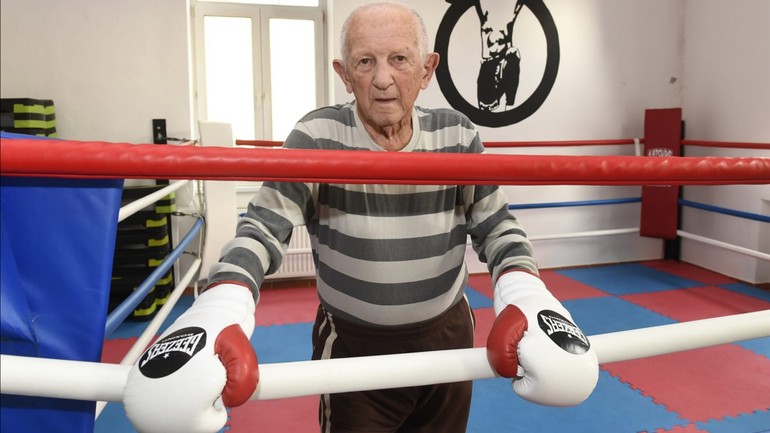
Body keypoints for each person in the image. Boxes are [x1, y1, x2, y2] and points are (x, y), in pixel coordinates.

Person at [123, 3, 598, 433]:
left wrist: (529, 295)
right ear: (344, 74)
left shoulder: (457, 135)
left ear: (427, 69)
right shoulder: (316, 136)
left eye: (399, 59)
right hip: (353, 344)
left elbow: (496, 226)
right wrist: (219, 307)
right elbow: (263, 226)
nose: (383, 78)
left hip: (449, 337)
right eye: (365, 62)